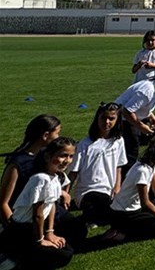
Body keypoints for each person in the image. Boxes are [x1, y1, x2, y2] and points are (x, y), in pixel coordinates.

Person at [5, 137, 78, 269]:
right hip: (21, 229)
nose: (67, 160)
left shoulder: (55, 177)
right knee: (62, 254)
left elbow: (51, 207)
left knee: (65, 250)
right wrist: (40, 241)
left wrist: (50, 232)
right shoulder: (40, 179)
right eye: (62, 156)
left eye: (71, 156)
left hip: (35, 228)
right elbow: (37, 214)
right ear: (48, 157)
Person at [105, 132, 155, 242]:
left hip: (134, 210)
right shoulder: (142, 170)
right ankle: (122, 234)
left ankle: (121, 230)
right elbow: (146, 203)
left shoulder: (150, 166)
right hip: (123, 214)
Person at [68, 103, 126, 226]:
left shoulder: (118, 141)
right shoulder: (85, 144)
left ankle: (91, 217)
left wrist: (117, 187)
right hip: (87, 191)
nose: (107, 122)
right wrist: (65, 193)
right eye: (103, 118)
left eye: (111, 119)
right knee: (99, 203)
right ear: (97, 118)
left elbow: (118, 166)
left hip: (108, 190)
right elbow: (74, 172)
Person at [1, 115, 62, 233]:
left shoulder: (44, 156)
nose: (58, 137)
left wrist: (62, 192)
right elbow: (3, 202)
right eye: (57, 133)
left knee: (77, 229)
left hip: (45, 210)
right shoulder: (18, 163)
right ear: (45, 135)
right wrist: (14, 229)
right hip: (26, 216)